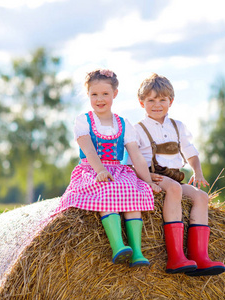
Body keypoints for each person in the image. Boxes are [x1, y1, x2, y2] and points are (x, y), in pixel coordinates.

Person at [54, 69, 161, 267]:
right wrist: (100, 170)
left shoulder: (123, 123)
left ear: (115, 94)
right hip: (92, 169)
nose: (99, 99)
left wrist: (147, 182)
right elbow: (88, 148)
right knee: (106, 189)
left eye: (105, 94)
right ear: (88, 95)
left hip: (117, 170)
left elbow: (135, 155)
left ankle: (137, 251)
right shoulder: (83, 121)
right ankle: (118, 245)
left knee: (132, 190)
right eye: (94, 94)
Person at [128, 73, 225, 276]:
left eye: (162, 100)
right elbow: (132, 160)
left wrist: (197, 172)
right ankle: (175, 257)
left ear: (170, 101)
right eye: (151, 100)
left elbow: (191, 153)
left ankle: (200, 256)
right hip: (153, 178)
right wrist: (145, 178)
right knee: (174, 189)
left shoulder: (177, 126)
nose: (157, 104)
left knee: (201, 196)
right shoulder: (137, 129)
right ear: (141, 102)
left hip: (174, 177)